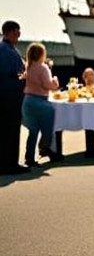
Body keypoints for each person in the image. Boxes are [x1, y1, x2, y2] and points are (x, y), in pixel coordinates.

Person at [21, 42, 64, 167]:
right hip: (41, 101)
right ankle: (46, 149)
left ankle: (29, 157)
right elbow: (48, 85)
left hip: (28, 100)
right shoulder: (43, 67)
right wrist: (55, 80)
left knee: (33, 130)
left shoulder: (28, 66)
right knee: (47, 129)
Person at [0, 20, 31, 175]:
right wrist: (22, 78)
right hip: (8, 97)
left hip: (11, 96)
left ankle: (9, 162)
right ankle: (9, 164)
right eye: (17, 32)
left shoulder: (10, 48)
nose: (19, 35)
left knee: (9, 131)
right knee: (9, 131)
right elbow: (6, 74)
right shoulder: (4, 50)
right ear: (10, 32)